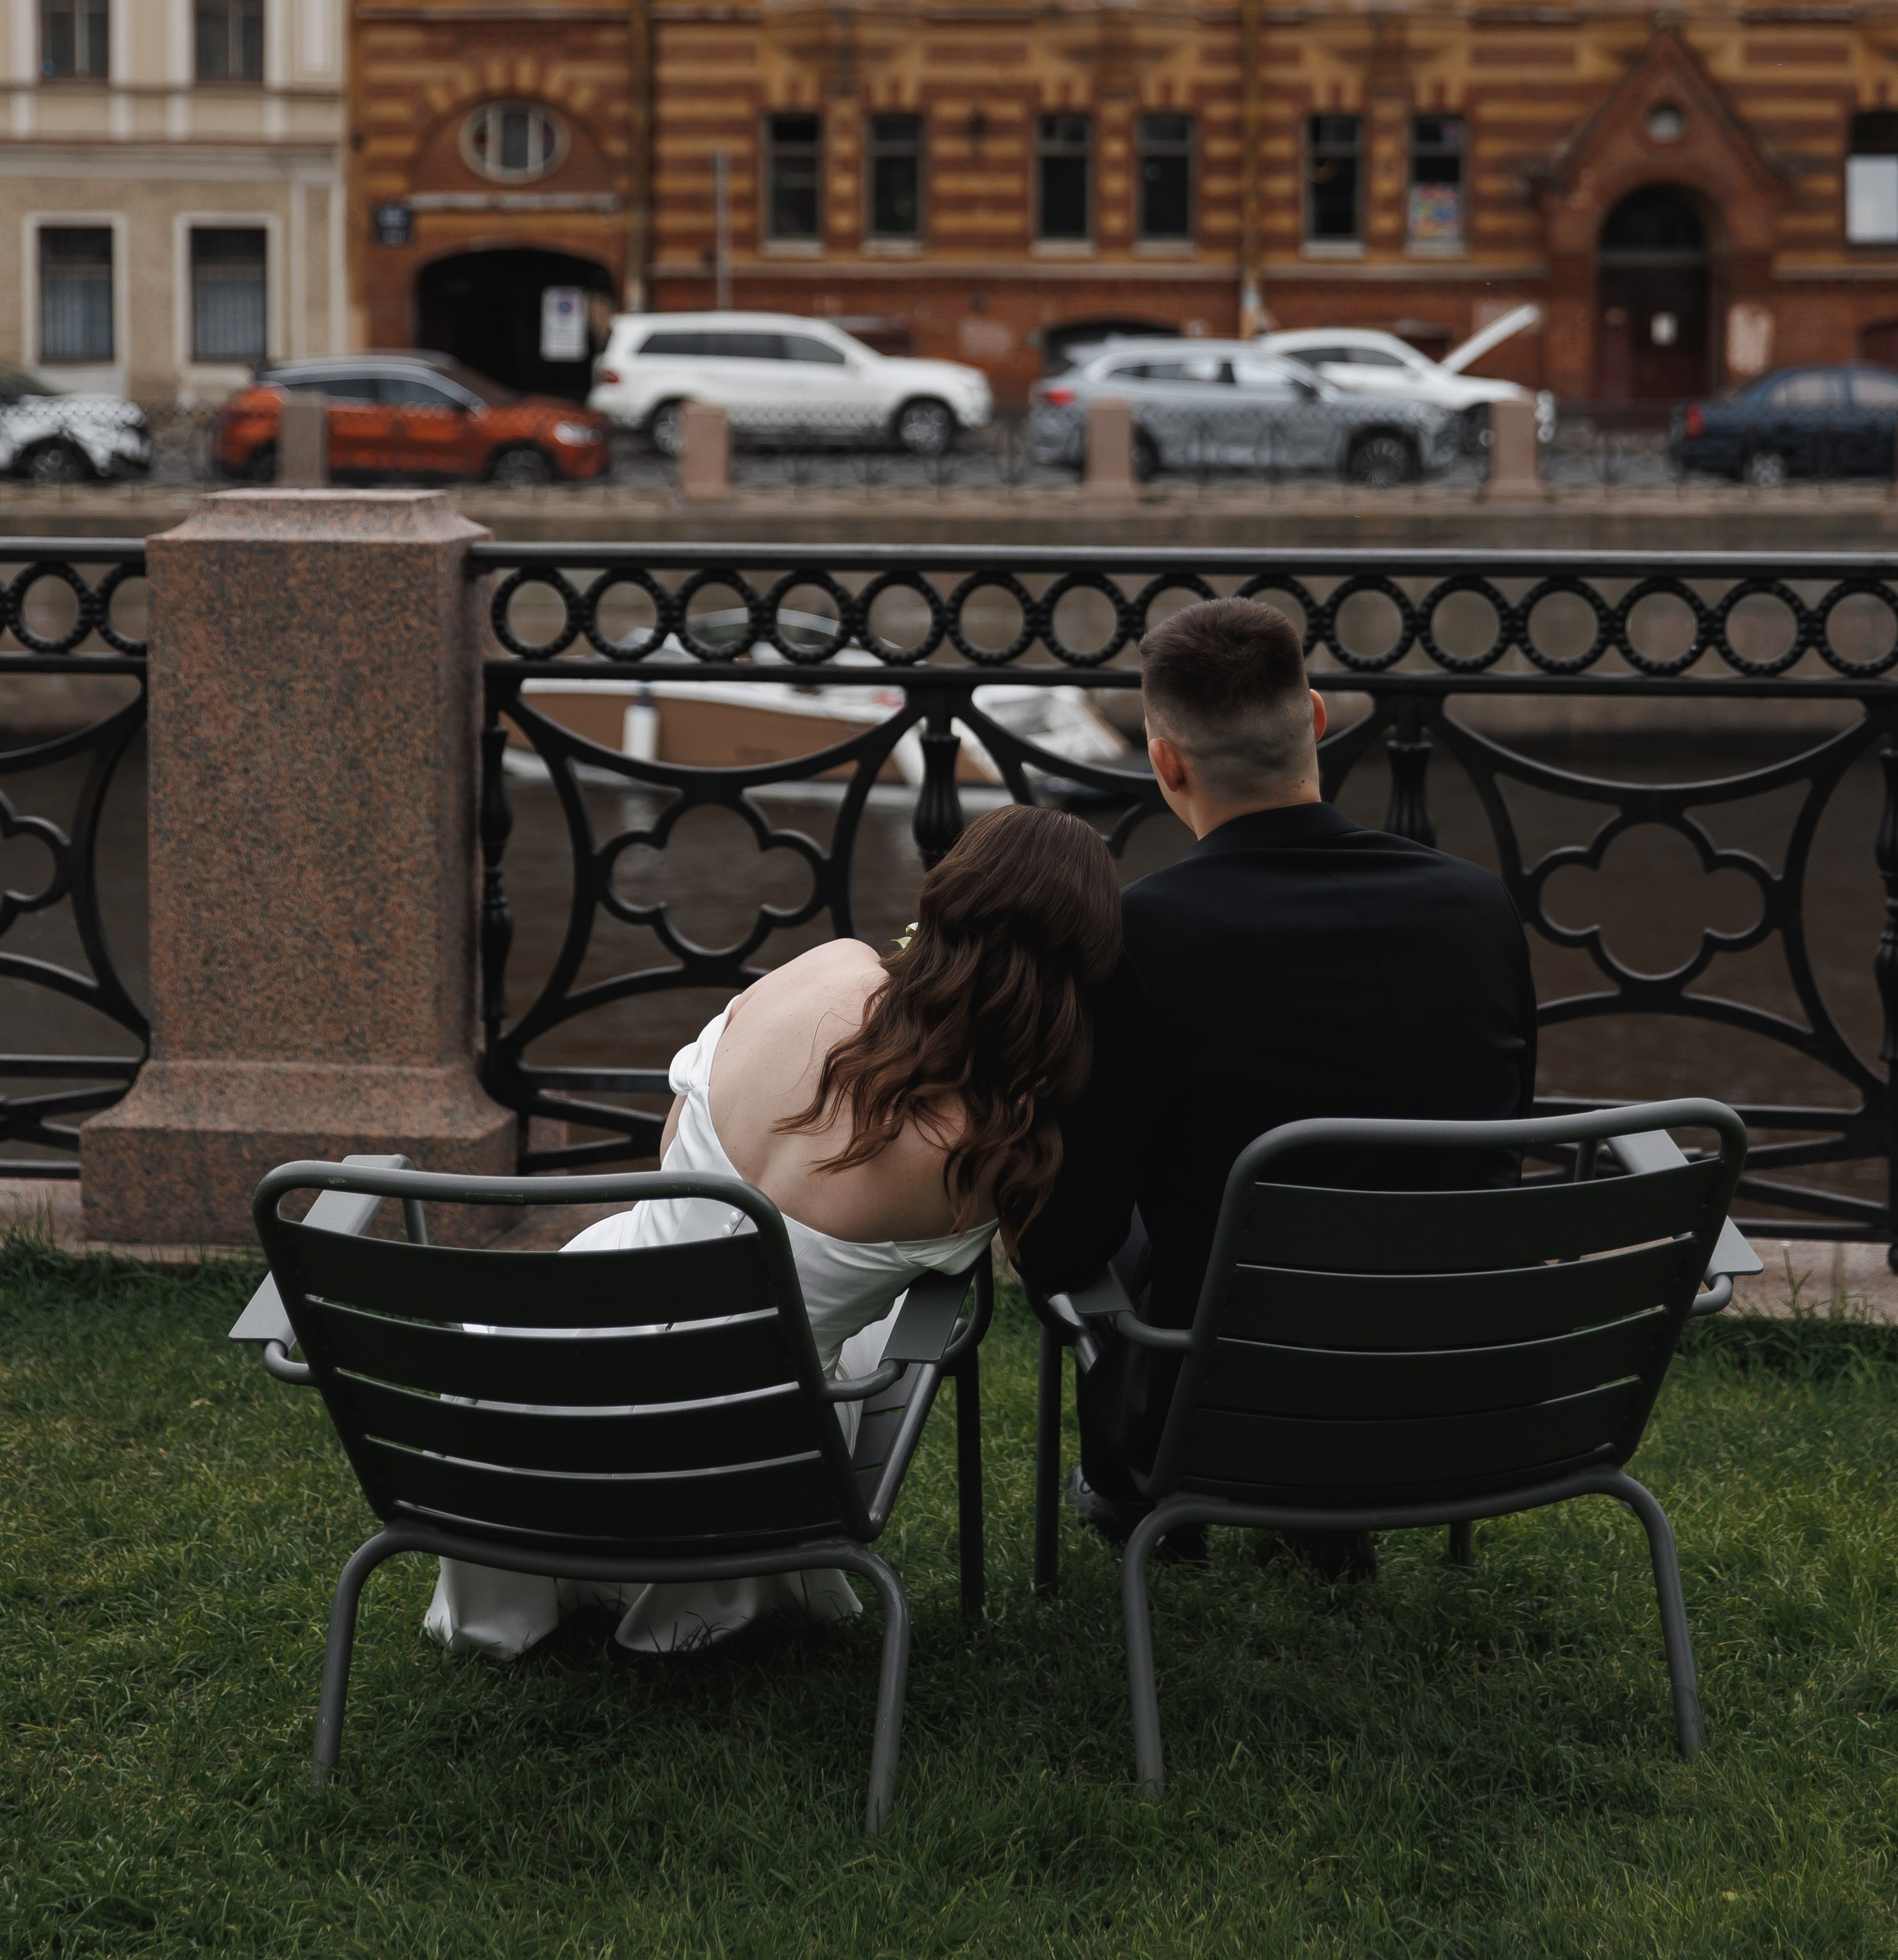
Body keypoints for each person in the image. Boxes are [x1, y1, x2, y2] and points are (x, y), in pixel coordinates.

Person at [429, 801, 1121, 1659]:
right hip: (742, 1456)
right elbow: (1046, 1258)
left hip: (540, 1375)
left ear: (941, 899)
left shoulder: (822, 970)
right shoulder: (992, 1152)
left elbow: (671, 1135)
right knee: (841, 1335)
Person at [1014, 595, 1539, 1544]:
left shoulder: (1140, 938)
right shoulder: (1479, 907)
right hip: (1474, 1400)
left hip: (1214, 1422)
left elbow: (1063, 1246)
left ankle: (1164, 1529)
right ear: (1317, 719)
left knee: (1131, 1224)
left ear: (1163, 760)